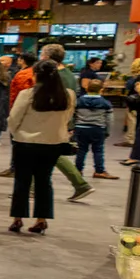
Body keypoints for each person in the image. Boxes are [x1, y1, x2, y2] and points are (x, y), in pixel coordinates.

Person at [8, 59, 76, 234]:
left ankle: (18, 218)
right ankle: (42, 219)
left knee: (22, 181)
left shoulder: (27, 94)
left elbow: (14, 118)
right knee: (44, 181)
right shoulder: (67, 95)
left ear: (35, 74)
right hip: (53, 143)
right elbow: (68, 118)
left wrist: (16, 133)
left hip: (25, 142)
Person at [42, 44, 94, 201]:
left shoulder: (56, 76)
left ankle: (81, 184)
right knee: (46, 153)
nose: (41, 57)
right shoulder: (69, 74)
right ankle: (80, 185)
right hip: (62, 119)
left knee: (48, 152)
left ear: (48, 57)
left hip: (52, 119)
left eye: (43, 55)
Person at [74, 78, 117, 179]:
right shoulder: (105, 103)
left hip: (81, 128)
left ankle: (78, 170)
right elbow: (109, 119)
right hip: (97, 129)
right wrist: (108, 131)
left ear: (87, 88)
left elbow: (72, 115)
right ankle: (99, 171)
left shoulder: (79, 101)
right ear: (101, 89)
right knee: (98, 150)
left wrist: (72, 127)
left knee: (81, 150)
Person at [123, 55, 140, 147]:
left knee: (133, 121)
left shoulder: (138, 77)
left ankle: (131, 139)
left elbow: (129, 87)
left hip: (136, 102)